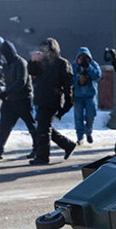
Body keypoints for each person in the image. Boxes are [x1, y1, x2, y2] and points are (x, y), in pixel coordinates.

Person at [28, 37, 76, 165]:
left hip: (52, 99)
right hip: (41, 98)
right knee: (44, 127)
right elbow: (31, 71)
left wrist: (68, 100)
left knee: (43, 129)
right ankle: (67, 145)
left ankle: (42, 157)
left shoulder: (62, 63)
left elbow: (67, 83)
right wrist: (32, 61)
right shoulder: (41, 62)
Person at [0, 40, 36, 158]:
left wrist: (6, 92)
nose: (2, 56)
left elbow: (21, 82)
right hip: (11, 99)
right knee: (5, 125)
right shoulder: (7, 64)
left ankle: (37, 149)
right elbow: (6, 79)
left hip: (23, 99)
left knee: (31, 126)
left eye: (3, 54)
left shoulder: (20, 63)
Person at [71, 47, 102, 145]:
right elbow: (69, 79)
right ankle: (80, 137)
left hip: (90, 95)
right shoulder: (74, 65)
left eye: (86, 57)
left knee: (91, 115)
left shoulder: (93, 64)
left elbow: (97, 76)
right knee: (78, 117)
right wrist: (78, 80)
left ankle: (88, 132)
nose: (83, 59)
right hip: (78, 96)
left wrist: (88, 68)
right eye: (81, 57)